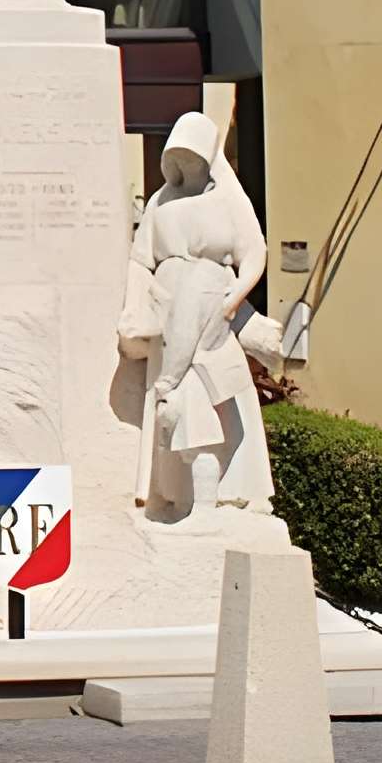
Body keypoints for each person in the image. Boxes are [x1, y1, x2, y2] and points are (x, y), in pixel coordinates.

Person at [117, 111, 274, 518]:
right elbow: (140, 260)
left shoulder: (228, 198)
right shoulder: (159, 201)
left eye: (193, 157)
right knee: (173, 404)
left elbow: (255, 252)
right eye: (178, 158)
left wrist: (234, 297)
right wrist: (135, 309)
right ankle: (174, 494)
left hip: (212, 311)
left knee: (219, 393)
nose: (185, 165)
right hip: (169, 312)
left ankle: (234, 489)